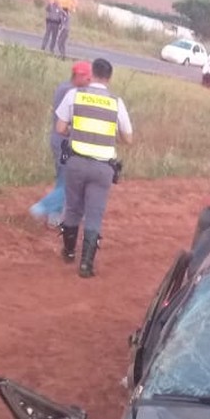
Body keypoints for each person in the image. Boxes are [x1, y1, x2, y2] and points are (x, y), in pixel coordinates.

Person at [54, 57, 133, 277]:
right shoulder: (116, 102)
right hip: (102, 168)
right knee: (94, 214)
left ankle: (69, 252)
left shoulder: (74, 95)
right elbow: (128, 138)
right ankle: (86, 265)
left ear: (92, 74)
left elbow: (60, 127)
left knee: (73, 208)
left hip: (76, 162)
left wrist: (77, 132)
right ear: (109, 78)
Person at [29, 61, 92, 228]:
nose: (89, 81)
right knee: (70, 182)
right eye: (87, 78)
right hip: (65, 142)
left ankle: (54, 215)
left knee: (63, 179)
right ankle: (43, 207)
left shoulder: (65, 87)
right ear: (78, 76)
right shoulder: (70, 92)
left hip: (59, 140)